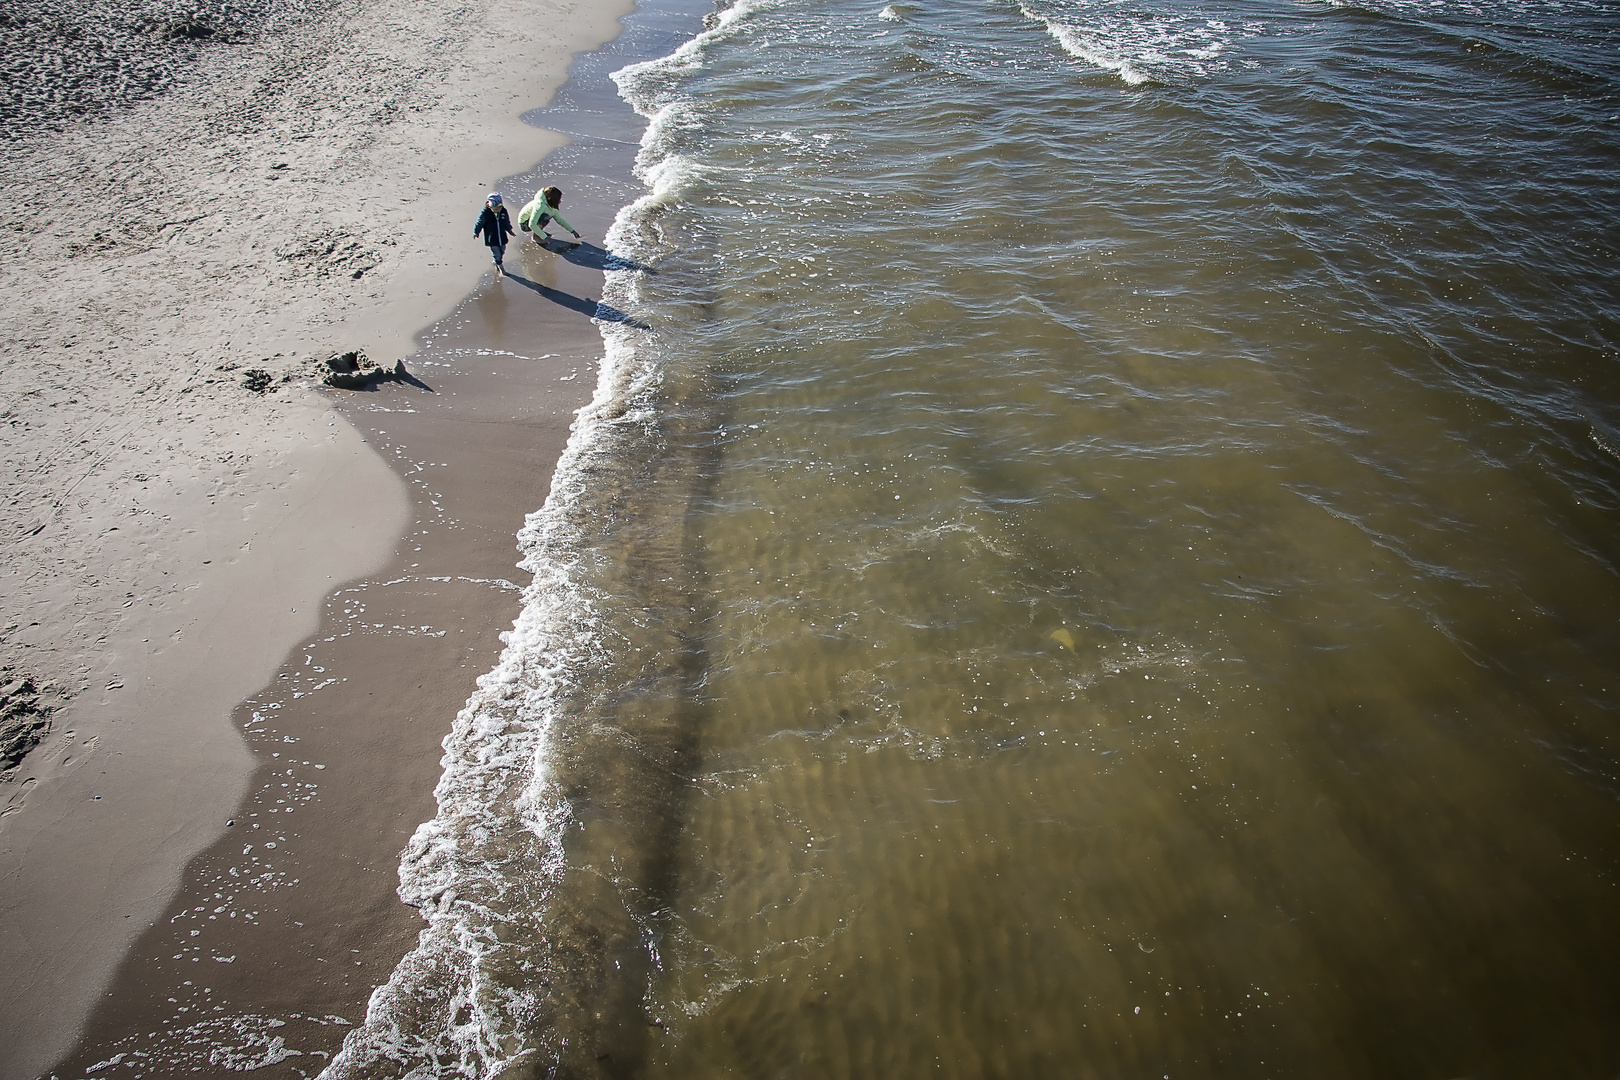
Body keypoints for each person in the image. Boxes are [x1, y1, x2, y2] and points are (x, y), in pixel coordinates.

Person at [473, 192, 514, 278]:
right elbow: (479, 223)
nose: (496, 210)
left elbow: (506, 222)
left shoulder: (503, 211)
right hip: (492, 238)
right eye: (494, 209)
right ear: (490, 206)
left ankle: (497, 261)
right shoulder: (485, 214)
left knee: (502, 250)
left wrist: (509, 230)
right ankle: (501, 269)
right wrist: (476, 232)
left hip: (502, 237)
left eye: (497, 208)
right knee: (497, 254)